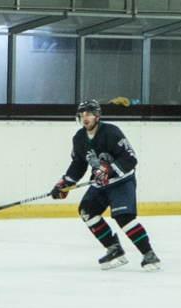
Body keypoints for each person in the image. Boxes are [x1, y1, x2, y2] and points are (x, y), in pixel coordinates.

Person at [50, 99, 160, 270]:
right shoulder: (79, 138)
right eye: (82, 115)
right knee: (87, 211)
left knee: (123, 218)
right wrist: (65, 183)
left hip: (121, 181)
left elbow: (130, 158)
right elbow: (78, 164)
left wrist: (110, 171)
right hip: (100, 183)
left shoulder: (111, 132)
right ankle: (114, 248)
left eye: (89, 114)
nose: (85, 118)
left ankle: (149, 254)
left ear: (97, 116)